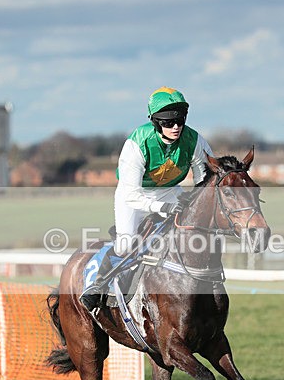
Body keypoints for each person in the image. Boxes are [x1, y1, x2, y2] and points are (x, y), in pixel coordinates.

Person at [79, 87, 215, 310]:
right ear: (155, 122)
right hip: (135, 196)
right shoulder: (137, 143)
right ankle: (97, 285)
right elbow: (130, 194)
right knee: (125, 245)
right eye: (168, 122)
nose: (176, 127)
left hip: (170, 191)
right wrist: (163, 207)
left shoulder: (195, 141)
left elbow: (204, 181)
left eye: (180, 120)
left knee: (190, 236)